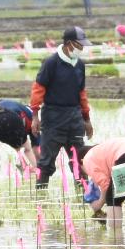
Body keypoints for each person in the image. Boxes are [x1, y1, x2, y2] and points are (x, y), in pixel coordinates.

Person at [30, 26, 93, 190]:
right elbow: (38, 89)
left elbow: (82, 94)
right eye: (80, 45)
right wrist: (35, 116)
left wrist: (86, 119)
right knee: (46, 160)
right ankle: (40, 195)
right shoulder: (51, 63)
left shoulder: (80, 65)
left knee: (79, 158)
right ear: (69, 44)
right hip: (53, 118)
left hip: (74, 117)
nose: (82, 48)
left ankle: (84, 194)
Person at [0, 97, 39, 168]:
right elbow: (36, 147)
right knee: (24, 150)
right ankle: (33, 171)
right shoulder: (34, 119)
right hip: (13, 122)